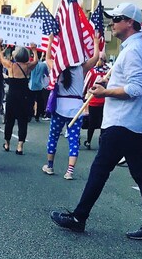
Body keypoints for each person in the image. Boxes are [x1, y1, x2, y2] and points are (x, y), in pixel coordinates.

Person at [50, 2, 142, 241]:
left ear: (130, 22)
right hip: (134, 123)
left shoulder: (134, 51)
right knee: (141, 174)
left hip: (123, 123)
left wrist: (105, 93)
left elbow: (135, 88)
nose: (112, 22)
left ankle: (79, 217)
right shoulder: (134, 48)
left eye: (117, 18)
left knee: (100, 169)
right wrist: (107, 86)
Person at [42, 36, 102, 180]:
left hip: (59, 107)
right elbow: (96, 57)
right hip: (76, 109)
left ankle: (50, 165)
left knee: (53, 137)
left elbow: (47, 58)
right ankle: (69, 171)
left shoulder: (58, 68)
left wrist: (50, 41)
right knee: (74, 140)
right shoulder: (81, 69)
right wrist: (95, 41)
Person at [0, 40, 35, 154]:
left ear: (16, 55)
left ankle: (7, 144)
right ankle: (20, 146)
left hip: (12, 96)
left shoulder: (11, 65)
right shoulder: (28, 67)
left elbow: (1, 59)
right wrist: (34, 50)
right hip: (24, 97)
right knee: (22, 121)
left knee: (10, 120)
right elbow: (36, 61)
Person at [82, 55, 108, 149]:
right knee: (102, 122)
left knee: (91, 123)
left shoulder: (92, 71)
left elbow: (86, 84)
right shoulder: (108, 71)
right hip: (105, 99)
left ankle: (88, 141)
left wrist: (83, 95)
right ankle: (101, 141)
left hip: (93, 99)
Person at [28, 49, 49, 122]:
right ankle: (37, 116)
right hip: (40, 85)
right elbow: (47, 74)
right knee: (40, 101)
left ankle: (30, 115)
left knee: (31, 101)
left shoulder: (31, 64)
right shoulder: (44, 65)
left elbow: (28, 73)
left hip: (32, 85)